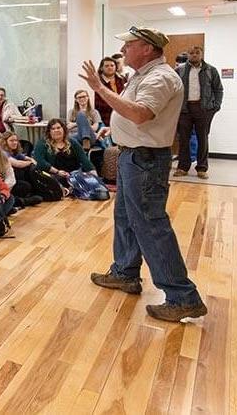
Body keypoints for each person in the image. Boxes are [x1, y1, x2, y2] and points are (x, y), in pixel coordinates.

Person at [80, 25, 207, 321]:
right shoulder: (143, 75)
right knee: (125, 217)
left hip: (145, 161)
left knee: (151, 225)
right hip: (133, 158)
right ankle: (125, 272)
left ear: (148, 48)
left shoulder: (161, 77)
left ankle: (182, 296)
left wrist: (99, 88)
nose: (124, 51)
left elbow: (139, 113)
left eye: (130, 45)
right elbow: (133, 114)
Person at [175, 45, 223, 179]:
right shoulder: (180, 70)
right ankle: (182, 167)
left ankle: (202, 168)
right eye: (191, 53)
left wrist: (216, 106)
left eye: (197, 53)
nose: (194, 55)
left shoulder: (211, 70)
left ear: (201, 54)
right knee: (183, 138)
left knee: (203, 138)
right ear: (188, 55)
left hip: (204, 109)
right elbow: (173, 89)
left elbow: (218, 89)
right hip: (185, 109)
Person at [0, 130, 42, 208]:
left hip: (5, 186)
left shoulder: (2, 156)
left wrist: (5, 190)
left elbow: (10, 175)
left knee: (25, 186)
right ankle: (22, 202)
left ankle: (11, 202)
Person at [32, 118, 96, 184]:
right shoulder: (42, 143)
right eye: (53, 129)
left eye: (58, 128)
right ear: (49, 132)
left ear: (63, 129)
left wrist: (95, 176)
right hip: (54, 174)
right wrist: (57, 172)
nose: (56, 130)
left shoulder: (72, 142)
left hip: (73, 175)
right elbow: (39, 160)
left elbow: (84, 160)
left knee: (91, 182)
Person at [95, 57, 126, 125]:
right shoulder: (98, 82)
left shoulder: (122, 79)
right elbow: (97, 103)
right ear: (101, 68)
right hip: (105, 117)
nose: (110, 67)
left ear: (116, 67)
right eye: (106, 66)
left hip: (124, 115)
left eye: (112, 65)